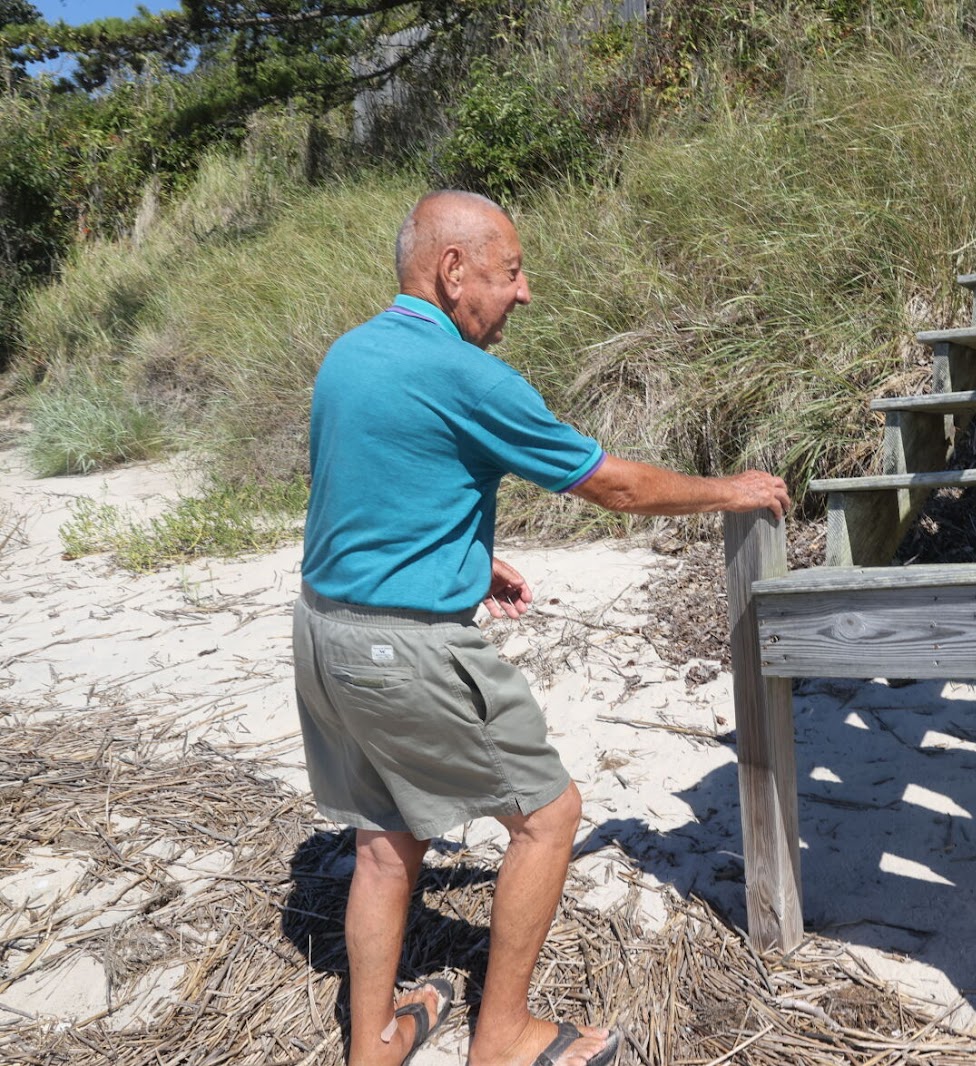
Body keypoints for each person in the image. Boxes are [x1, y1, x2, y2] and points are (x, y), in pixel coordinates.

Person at [293, 189, 790, 1066]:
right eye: (511, 271)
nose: (522, 294)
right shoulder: (465, 373)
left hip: (325, 632)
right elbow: (614, 486)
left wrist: (466, 559)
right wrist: (731, 490)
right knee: (548, 817)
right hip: (405, 648)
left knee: (383, 842)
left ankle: (372, 1045)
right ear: (454, 271)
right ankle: (507, 1037)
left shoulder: (351, 354)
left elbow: (367, 485)